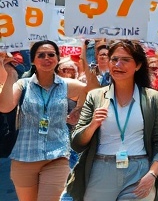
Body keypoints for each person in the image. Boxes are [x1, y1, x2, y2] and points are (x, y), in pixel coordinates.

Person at [67, 41, 158, 201]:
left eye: (125, 60)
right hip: (101, 171)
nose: (118, 65)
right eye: (114, 59)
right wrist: (92, 125)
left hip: (139, 172)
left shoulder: (152, 98)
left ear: (138, 65)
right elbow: (76, 143)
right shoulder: (95, 97)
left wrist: (152, 174)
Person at [0, 41, 94, 201]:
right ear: (33, 60)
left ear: (57, 59)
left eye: (51, 54)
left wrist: (78, 109)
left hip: (56, 156)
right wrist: (10, 74)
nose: (46, 58)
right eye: (41, 55)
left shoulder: (65, 85)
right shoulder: (22, 85)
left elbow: (92, 90)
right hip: (24, 157)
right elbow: (5, 106)